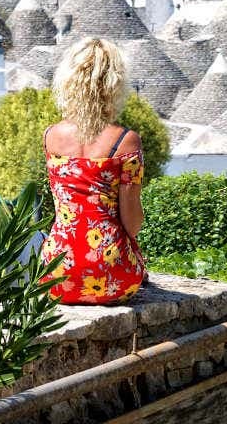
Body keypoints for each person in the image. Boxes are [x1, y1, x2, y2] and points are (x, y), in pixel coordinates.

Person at [40, 37, 147, 304]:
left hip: (56, 273)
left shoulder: (51, 136)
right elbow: (132, 223)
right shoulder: (126, 141)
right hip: (113, 274)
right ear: (114, 84)